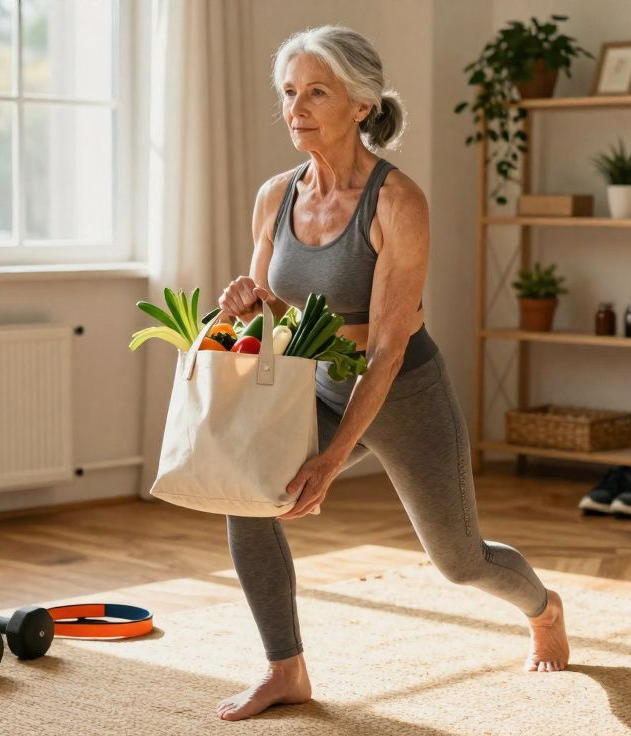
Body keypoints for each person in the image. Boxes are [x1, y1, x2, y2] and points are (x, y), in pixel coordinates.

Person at [213, 25, 570, 722]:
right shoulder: (273, 198)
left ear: (362, 104)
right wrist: (246, 303)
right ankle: (285, 669)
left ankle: (544, 607)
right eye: (290, 93)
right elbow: (276, 319)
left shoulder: (397, 202)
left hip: (404, 392)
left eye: (318, 92)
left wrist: (332, 462)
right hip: (316, 383)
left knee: (462, 561)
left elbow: (386, 347)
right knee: (248, 497)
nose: (297, 108)